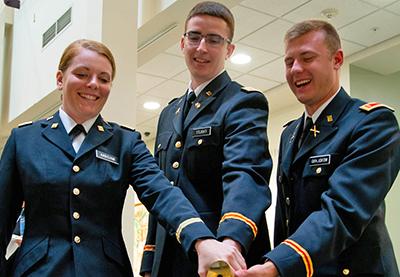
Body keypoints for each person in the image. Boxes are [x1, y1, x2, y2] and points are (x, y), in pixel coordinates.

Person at [0, 39, 247, 277]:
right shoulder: (25, 139)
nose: (93, 84)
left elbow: (161, 192)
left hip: (104, 270)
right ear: (60, 79)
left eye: (104, 78)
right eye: (82, 74)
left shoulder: (125, 142)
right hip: (38, 270)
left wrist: (201, 239)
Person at [236, 19, 400, 277]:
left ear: (337, 59)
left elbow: (343, 211)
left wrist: (278, 264)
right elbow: (285, 218)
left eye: (307, 58)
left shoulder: (372, 123)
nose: (296, 69)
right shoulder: (290, 133)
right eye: (289, 62)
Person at [140, 1, 272, 277]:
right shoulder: (169, 113)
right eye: (195, 36)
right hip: (170, 257)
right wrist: (149, 261)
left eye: (214, 40)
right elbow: (161, 188)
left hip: (219, 256)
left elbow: (245, 175)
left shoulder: (243, 103)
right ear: (182, 42)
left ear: (229, 50)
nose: (202, 48)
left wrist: (229, 245)